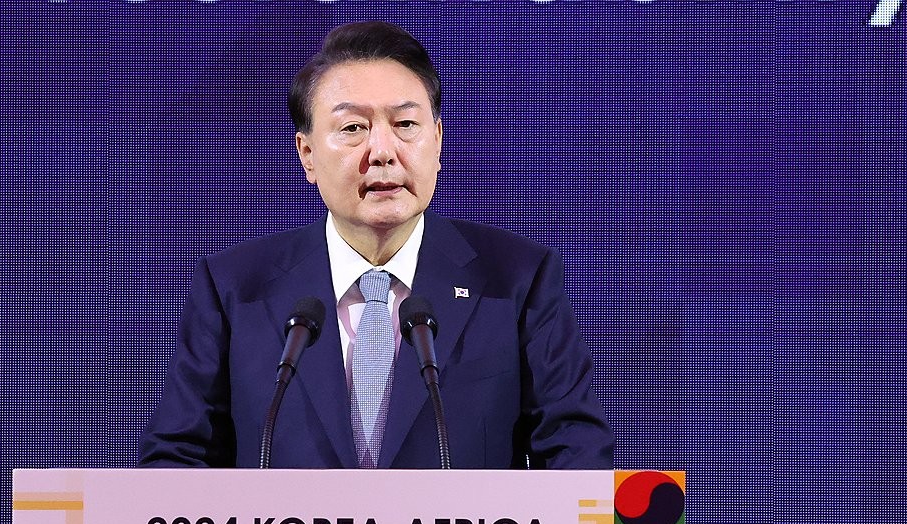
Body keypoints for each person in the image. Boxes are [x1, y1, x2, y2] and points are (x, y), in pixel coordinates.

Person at [140, 20, 614, 473]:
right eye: (353, 128)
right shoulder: (235, 287)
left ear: (438, 140)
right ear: (306, 153)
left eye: (406, 124)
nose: (383, 150)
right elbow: (176, 461)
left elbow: (578, 456)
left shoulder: (516, 278)